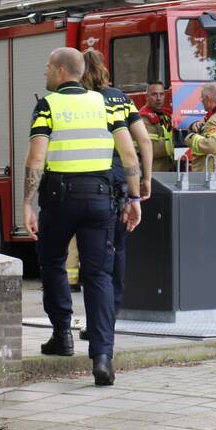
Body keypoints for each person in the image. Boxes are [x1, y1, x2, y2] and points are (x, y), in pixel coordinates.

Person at [23, 47, 142, 386]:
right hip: (102, 199)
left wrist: (27, 203)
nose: (45, 72)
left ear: (62, 71)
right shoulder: (104, 104)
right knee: (99, 275)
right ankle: (102, 357)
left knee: (52, 263)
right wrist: (134, 196)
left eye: (48, 66)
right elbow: (128, 151)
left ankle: (62, 334)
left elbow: (35, 159)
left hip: (59, 199)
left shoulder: (48, 105)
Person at [67, 51, 153, 317]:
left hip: (92, 182)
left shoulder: (82, 101)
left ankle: (91, 317)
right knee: (118, 247)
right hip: (123, 180)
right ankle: (112, 312)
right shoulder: (121, 98)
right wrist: (146, 178)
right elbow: (145, 141)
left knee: (92, 254)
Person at [140, 81, 175, 172]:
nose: (159, 98)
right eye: (154, 95)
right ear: (146, 97)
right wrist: (176, 143)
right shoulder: (144, 118)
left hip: (166, 170)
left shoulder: (165, 116)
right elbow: (151, 148)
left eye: (161, 94)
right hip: (153, 172)